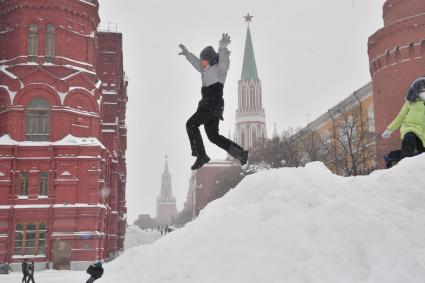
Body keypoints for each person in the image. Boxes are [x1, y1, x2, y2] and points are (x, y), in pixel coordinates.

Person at [179, 34, 249, 170]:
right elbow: (196, 63)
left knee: (191, 125)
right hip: (212, 106)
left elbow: (224, 62)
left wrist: (222, 48)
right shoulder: (205, 70)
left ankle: (201, 155)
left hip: (210, 105)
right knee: (213, 136)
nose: (201, 63)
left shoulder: (218, 69)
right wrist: (187, 54)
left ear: (210, 60)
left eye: (203, 60)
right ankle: (240, 154)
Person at [382, 77, 425, 158]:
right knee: (409, 138)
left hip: (423, 133)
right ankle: (405, 161)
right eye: (422, 86)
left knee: (422, 152)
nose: (424, 88)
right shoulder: (411, 103)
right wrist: (389, 129)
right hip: (410, 127)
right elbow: (400, 117)